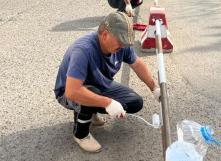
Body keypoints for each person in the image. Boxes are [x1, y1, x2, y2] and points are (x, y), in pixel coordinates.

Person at [54, 11, 161, 153]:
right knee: (92, 93)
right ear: (105, 35)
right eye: (121, 41)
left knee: (135, 102)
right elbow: (72, 91)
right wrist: (107, 103)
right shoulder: (83, 49)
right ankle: (81, 134)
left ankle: (90, 112)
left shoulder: (121, 45)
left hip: (99, 83)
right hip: (68, 92)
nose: (123, 46)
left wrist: (154, 88)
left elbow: (137, 64)